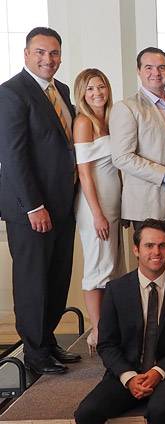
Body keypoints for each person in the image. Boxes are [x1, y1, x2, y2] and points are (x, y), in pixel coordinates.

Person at [0, 27, 80, 375]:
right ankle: (33, 354)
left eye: (55, 53)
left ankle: (47, 343)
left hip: (63, 205)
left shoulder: (60, 90)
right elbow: (13, 157)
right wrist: (33, 206)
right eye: (41, 52)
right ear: (26, 53)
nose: (48, 59)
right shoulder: (11, 93)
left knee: (57, 278)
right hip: (31, 209)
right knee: (33, 282)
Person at [74, 219, 165, 424]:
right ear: (136, 250)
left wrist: (158, 372)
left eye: (162, 246)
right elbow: (107, 343)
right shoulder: (116, 289)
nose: (156, 252)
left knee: (160, 412)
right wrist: (129, 377)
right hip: (127, 371)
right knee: (86, 413)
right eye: (149, 246)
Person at [110, 47, 165, 269]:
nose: (156, 72)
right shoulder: (126, 108)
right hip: (148, 203)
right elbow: (122, 157)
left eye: (161, 67)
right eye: (149, 67)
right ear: (138, 71)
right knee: (151, 267)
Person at [72, 68, 126, 355]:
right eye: (91, 88)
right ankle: (97, 332)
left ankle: (109, 329)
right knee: (97, 268)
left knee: (113, 268)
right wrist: (97, 213)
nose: (97, 93)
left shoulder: (110, 119)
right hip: (95, 204)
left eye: (101, 87)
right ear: (82, 93)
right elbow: (84, 173)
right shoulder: (83, 121)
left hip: (114, 203)